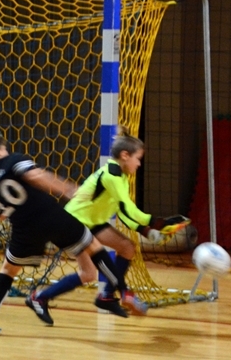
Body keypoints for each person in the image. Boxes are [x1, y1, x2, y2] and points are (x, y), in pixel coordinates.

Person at [0, 129, 127, 333]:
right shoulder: (12, 160)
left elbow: (0, 215)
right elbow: (36, 175)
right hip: (51, 216)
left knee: (8, 270)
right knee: (93, 246)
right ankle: (122, 291)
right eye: (4, 147)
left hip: (24, 229)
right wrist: (68, 189)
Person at [65, 133, 189, 317]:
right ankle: (119, 294)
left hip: (91, 223)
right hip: (74, 223)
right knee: (90, 271)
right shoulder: (112, 176)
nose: (139, 164)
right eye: (138, 159)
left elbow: (122, 212)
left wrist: (144, 230)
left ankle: (108, 295)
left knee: (127, 248)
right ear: (125, 155)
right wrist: (158, 223)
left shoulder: (121, 176)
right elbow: (128, 208)